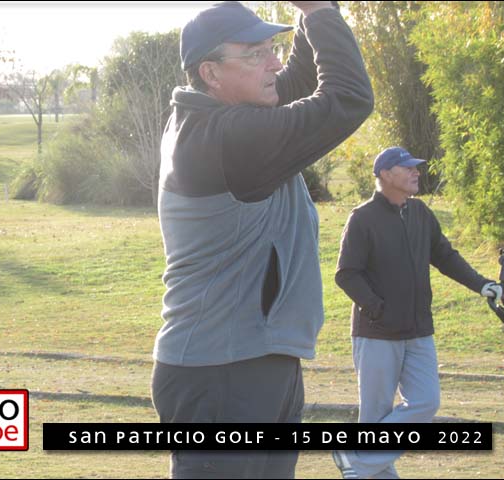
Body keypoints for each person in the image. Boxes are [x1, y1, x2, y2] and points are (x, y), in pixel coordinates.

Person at [151, 1, 373, 478]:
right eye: (255, 54)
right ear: (210, 72)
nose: (273, 63)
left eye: (272, 48)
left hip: (254, 361)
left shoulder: (216, 117)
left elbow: (301, 79)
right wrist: (319, 12)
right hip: (222, 373)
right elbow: (348, 97)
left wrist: (317, 11)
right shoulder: (230, 137)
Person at [332, 146, 504, 479]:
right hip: (377, 333)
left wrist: (482, 284)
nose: (416, 172)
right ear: (385, 174)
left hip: (419, 331)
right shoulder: (363, 218)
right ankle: (365, 468)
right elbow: (346, 274)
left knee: (426, 401)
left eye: (416, 167)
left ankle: (356, 457)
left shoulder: (420, 213)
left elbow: (445, 256)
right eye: (408, 167)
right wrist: (377, 309)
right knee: (375, 416)